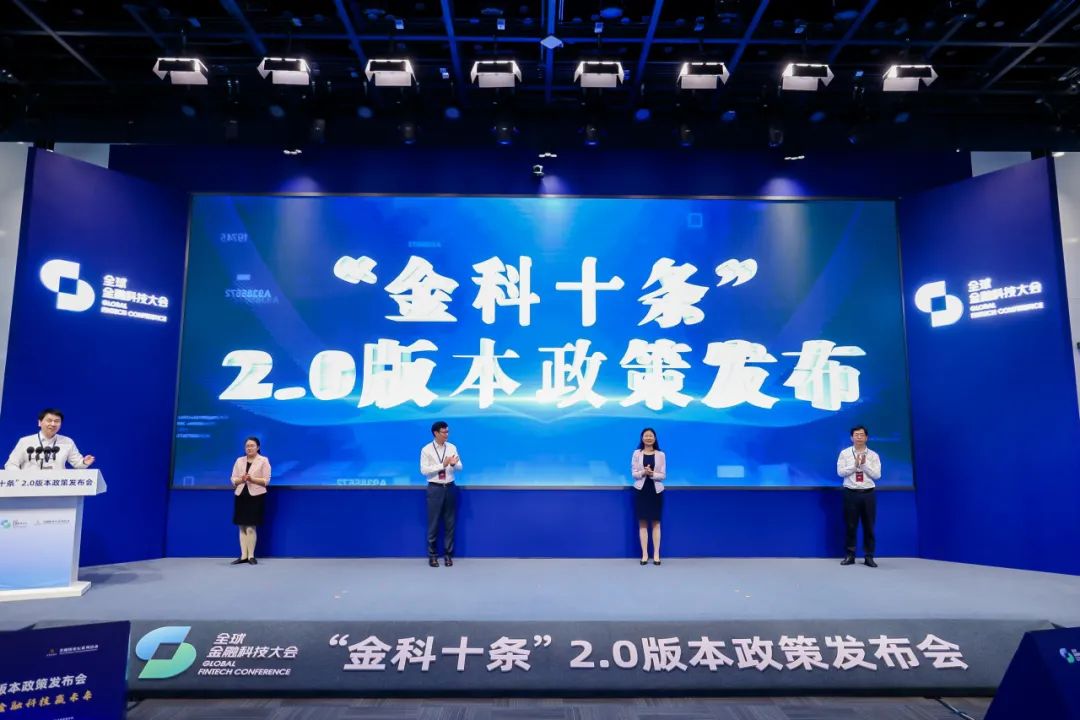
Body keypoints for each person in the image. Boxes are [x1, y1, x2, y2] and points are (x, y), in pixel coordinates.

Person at [837, 425, 881, 567]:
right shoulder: (844, 454)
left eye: (862, 435)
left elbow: (877, 475)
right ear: (852, 438)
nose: (859, 437)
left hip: (868, 494)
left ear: (866, 437)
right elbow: (840, 472)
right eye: (856, 435)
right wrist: (855, 465)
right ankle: (850, 555)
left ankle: (869, 556)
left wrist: (864, 465)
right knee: (851, 526)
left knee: (869, 526)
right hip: (851, 493)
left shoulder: (873, 455)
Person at [420, 421, 461, 567]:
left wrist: (453, 464)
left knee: (450, 523)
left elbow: (460, 467)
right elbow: (424, 470)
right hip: (435, 488)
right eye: (444, 432)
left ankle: (448, 555)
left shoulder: (452, 447)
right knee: (434, 523)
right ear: (436, 433)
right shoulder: (426, 450)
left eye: (447, 431)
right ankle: (433, 556)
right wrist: (442, 465)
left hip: (450, 487)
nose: (446, 434)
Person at [4, 408, 95, 470]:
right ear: (39, 423)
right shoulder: (25, 441)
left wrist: (84, 462)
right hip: (29, 488)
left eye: (57, 421)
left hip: (57, 488)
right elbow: (11, 464)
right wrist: (20, 479)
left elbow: (78, 464)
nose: (53, 424)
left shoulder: (67, 442)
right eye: (49, 420)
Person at [230, 436, 271, 565]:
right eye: (247, 446)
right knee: (241, 526)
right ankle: (243, 556)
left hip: (256, 496)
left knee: (250, 527)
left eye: (252, 445)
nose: (249, 448)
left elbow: (266, 481)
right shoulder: (239, 461)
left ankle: (251, 556)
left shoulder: (263, 460)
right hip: (241, 495)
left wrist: (252, 479)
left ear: (258, 447)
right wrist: (241, 479)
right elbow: (233, 479)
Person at [631, 427, 666, 565]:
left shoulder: (661, 454)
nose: (648, 438)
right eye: (646, 435)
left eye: (651, 435)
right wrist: (643, 473)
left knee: (656, 523)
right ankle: (644, 554)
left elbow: (663, 475)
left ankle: (656, 554)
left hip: (656, 491)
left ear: (655, 438)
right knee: (643, 523)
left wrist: (652, 474)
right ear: (642, 438)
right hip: (641, 491)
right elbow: (634, 474)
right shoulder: (637, 453)